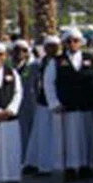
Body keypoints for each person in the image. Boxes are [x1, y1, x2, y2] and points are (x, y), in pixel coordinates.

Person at [45, 29, 93, 181]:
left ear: (81, 42)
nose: (73, 44)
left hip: (87, 105)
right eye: (69, 41)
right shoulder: (56, 61)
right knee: (69, 140)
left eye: (76, 40)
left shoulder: (91, 58)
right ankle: (70, 167)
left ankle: (86, 166)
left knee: (87, 137)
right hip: (67, 107)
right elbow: (48, 83)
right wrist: (55, 103)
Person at [23, 36, 62, 175]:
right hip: (42, 103)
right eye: (49, 46)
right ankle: (36, 163)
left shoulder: (61, 62)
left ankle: (52, 165)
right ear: (44, 48)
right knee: (41, 135)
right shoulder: (38, 63)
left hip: (58, 104)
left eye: (55, 45)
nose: (52, 48)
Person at [0, 42, 25, 183]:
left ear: (5, 56)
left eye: (0, 54)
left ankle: (13, 179)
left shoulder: (12, 73)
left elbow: (18, 93)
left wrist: (11, 110)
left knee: (12, 149)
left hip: (10, 118)